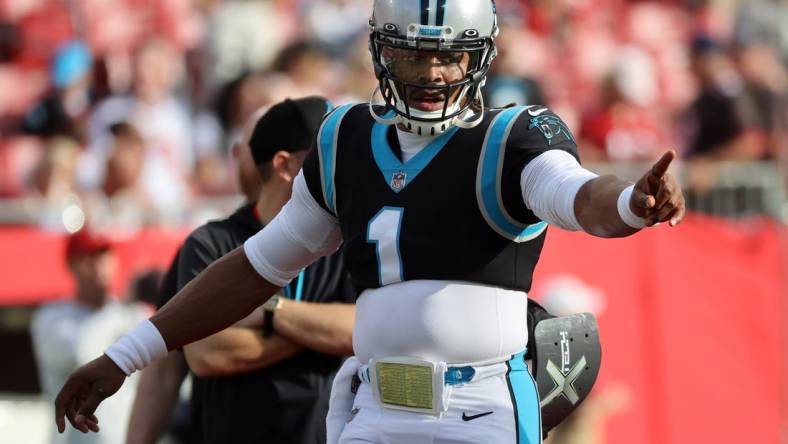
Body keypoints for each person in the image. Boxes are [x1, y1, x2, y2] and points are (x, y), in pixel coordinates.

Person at [54, 1, 686, 443]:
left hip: (481, 409)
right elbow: (252, 268)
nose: (434, 75)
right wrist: (125, 355)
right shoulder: (344, 139)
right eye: (413, 59)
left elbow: (579, 196)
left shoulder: (511, 139)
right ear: (384, 54)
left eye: (451, 57)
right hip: (374, 408)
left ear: (481, 58)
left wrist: (632, 202)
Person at [126, 97, 356, 444]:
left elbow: (360, 329)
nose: (343, 164)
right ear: (285, 165)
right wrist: (320, 336)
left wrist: (270, 311)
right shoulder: (209, 243)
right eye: (327, 152)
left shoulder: (348, 240)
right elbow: (206, 353)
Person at [30, 228, 148, 444]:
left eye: (103, 255)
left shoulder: (133, 313)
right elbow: (83, 355)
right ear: (71, 265)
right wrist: (120, 307)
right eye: (87, 257)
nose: (97, 264)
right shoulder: (51, 317)